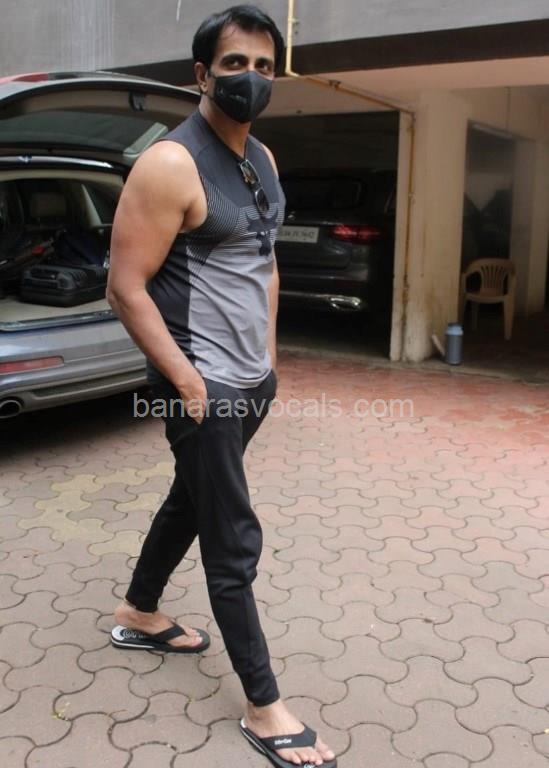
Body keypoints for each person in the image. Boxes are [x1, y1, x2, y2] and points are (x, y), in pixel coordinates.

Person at [106, 5, 337, 768]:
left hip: (249, 379)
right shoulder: (169, 164)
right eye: (235, 64)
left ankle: (139, 610)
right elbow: (124, 287)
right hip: (200, 383)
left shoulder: (260, 157)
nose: (251, 79)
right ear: (202, 74)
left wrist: (267, 355)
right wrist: (185, 379)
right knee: (231, 534)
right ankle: (264, 707)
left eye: (264, 67)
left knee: (193, 497)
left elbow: (263, 259)